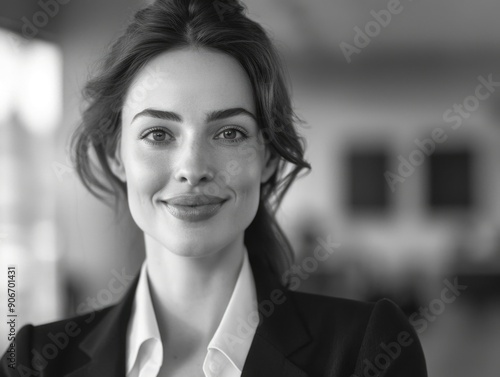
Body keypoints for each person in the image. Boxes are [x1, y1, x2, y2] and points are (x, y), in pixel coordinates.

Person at [1, 0, 428, 376]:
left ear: (269, 156)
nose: (192, 168)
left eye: (229, 134)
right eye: (158, 134)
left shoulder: (366, 353)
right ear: (117, 156)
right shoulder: (34, 362)